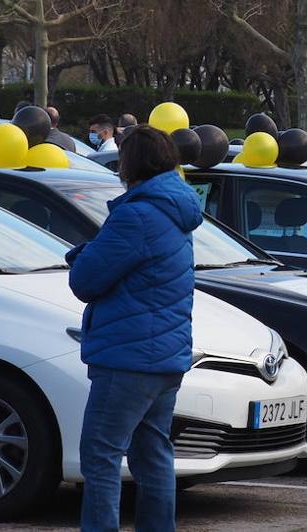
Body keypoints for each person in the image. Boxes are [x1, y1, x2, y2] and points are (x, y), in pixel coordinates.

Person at [66, 125, 197, 532]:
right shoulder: (174, 209)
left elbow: (86, 281)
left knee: (101, 456)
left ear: (131, 162)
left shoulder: (137, 214)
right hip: (165, 356)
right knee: (153, 454)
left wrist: (83, 254)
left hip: (128, 357)